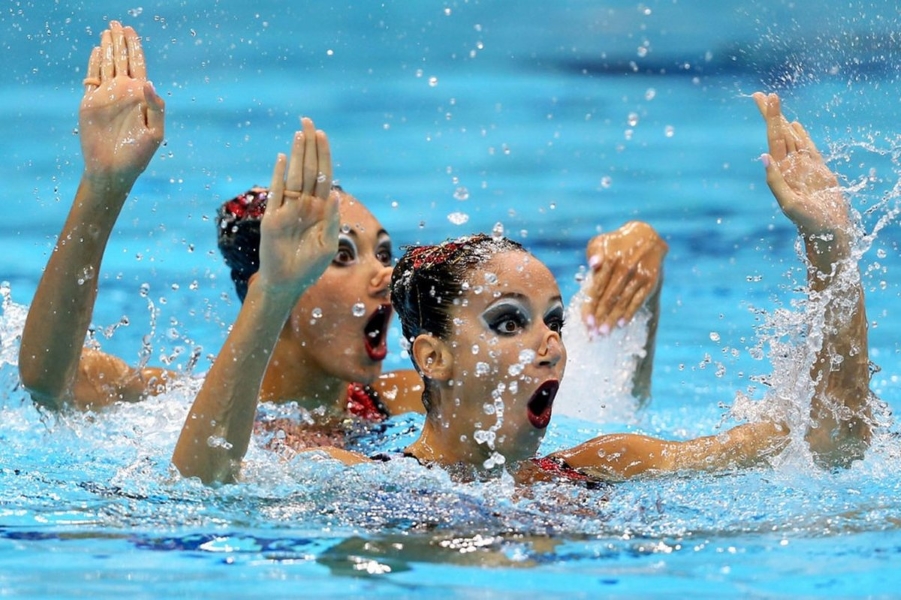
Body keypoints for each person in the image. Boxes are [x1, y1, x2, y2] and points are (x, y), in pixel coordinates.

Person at [18, 21, 664, 456]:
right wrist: (104, 188)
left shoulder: (402, 400)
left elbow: (596, 401)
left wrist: (640, 278)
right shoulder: (167, 404)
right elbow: (51, 382)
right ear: (268, 276)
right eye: (342, 256)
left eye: (383, 252)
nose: (383, 275)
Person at [173, 91, 872, 485]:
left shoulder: (601, 466)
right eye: (509, 321)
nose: (548, 345)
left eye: (553, 320)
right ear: (432, 357)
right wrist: (272, 294)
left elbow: (829, 444)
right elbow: (204, 479)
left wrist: (829, 249)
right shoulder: (364, 481)